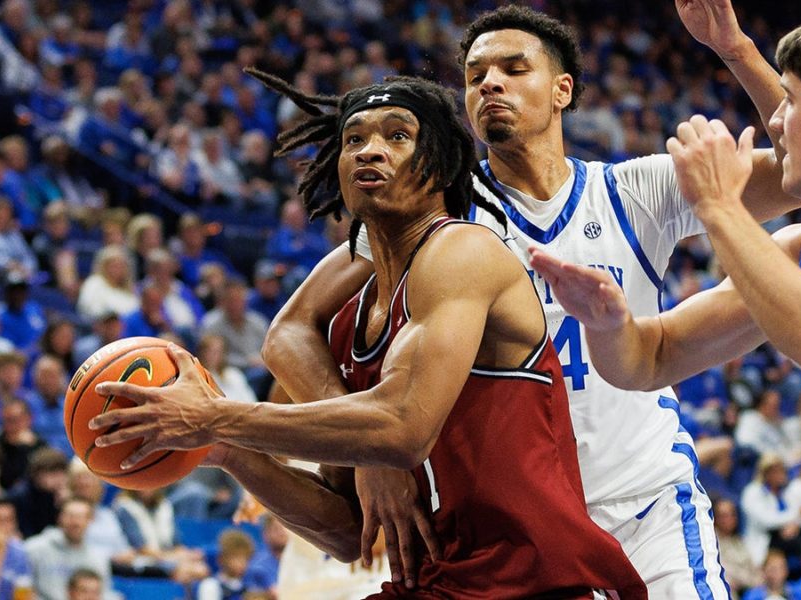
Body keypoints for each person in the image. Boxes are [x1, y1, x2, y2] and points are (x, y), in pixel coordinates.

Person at [261, 2, 801, 593]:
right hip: (520, 525)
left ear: (562, 90)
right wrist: (367, 454)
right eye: (474, 76)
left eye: (514, 69)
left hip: (646, 502)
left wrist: (736, 51)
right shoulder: (434, 214)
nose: (489, 82)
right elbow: (289, 333)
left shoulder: (634, 191)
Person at [91, 75, 647, 598]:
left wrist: (214, 415)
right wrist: (228, 451)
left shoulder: (462, 251)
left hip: (539, 581)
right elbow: (345, 532)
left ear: (439, 165)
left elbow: (401, 429)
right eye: (353, 139)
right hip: (441, 582)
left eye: (398, 136)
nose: (368, 150)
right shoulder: (346, 326)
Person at [530, 3, 801, 596]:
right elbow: (650, 359)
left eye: (789, 102)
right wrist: (607, 323)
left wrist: (718, 206)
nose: (775, 123)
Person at [24, 497, 113, 600]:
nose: (75, 523)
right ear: (59, 518)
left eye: (81, 517)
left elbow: (104, 594)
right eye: (70, 516)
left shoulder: (99, 558)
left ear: (90, 520)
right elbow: (23, 587)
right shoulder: (34, 548)